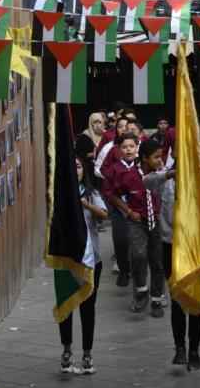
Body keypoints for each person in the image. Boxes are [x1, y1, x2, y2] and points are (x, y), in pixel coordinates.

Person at [144, 138, 200, 371]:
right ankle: (179, 348)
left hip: (194, 247)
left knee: (195, 301)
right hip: (170, 246)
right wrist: (169, 174)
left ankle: (194, 350)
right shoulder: (165, 180)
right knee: (176, 299)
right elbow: (146, 182)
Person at [59, 157, 109, 374]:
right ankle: (67, 350)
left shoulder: (91, 193)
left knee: (88, 308)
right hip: (67, 260)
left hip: (91, 259)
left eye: (78, 166)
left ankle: (87, 353)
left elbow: (104, 215)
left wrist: (86, 204)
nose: (75, 170)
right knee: (66, 306)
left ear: (83, 171)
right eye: (71, 166)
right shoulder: (60, 196)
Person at [108, 139, 166, 317]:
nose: (160, 160)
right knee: (138, 255)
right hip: (137, 221)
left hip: (155, 222)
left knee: (157, 261)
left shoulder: (159, 174)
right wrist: (128, 211)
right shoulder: (129, 176)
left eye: (161, 157)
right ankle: (141, 289)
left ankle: (156, 300)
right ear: (144, 158)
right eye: (156, 157)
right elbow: (113, 195)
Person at [101, 133, 138, 286]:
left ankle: (137, 273)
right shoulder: (113, 169)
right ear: (119, 150)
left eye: (131, 146)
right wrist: (123, 208)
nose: (128, 150)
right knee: (120, 240)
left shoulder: (141, 167)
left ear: (136, 148)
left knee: (137, 244)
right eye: (124, 147)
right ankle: (124, 270)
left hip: (139, 211)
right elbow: (108, 191)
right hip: (119, 210)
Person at [76, 112, 106, 177]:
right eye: (95, 122)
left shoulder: (106, 135)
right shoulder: (84, 137)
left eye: (100, 122)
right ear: (90, 123)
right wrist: (92, 154)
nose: (98, 125)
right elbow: (78, 154)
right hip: (89, 171)